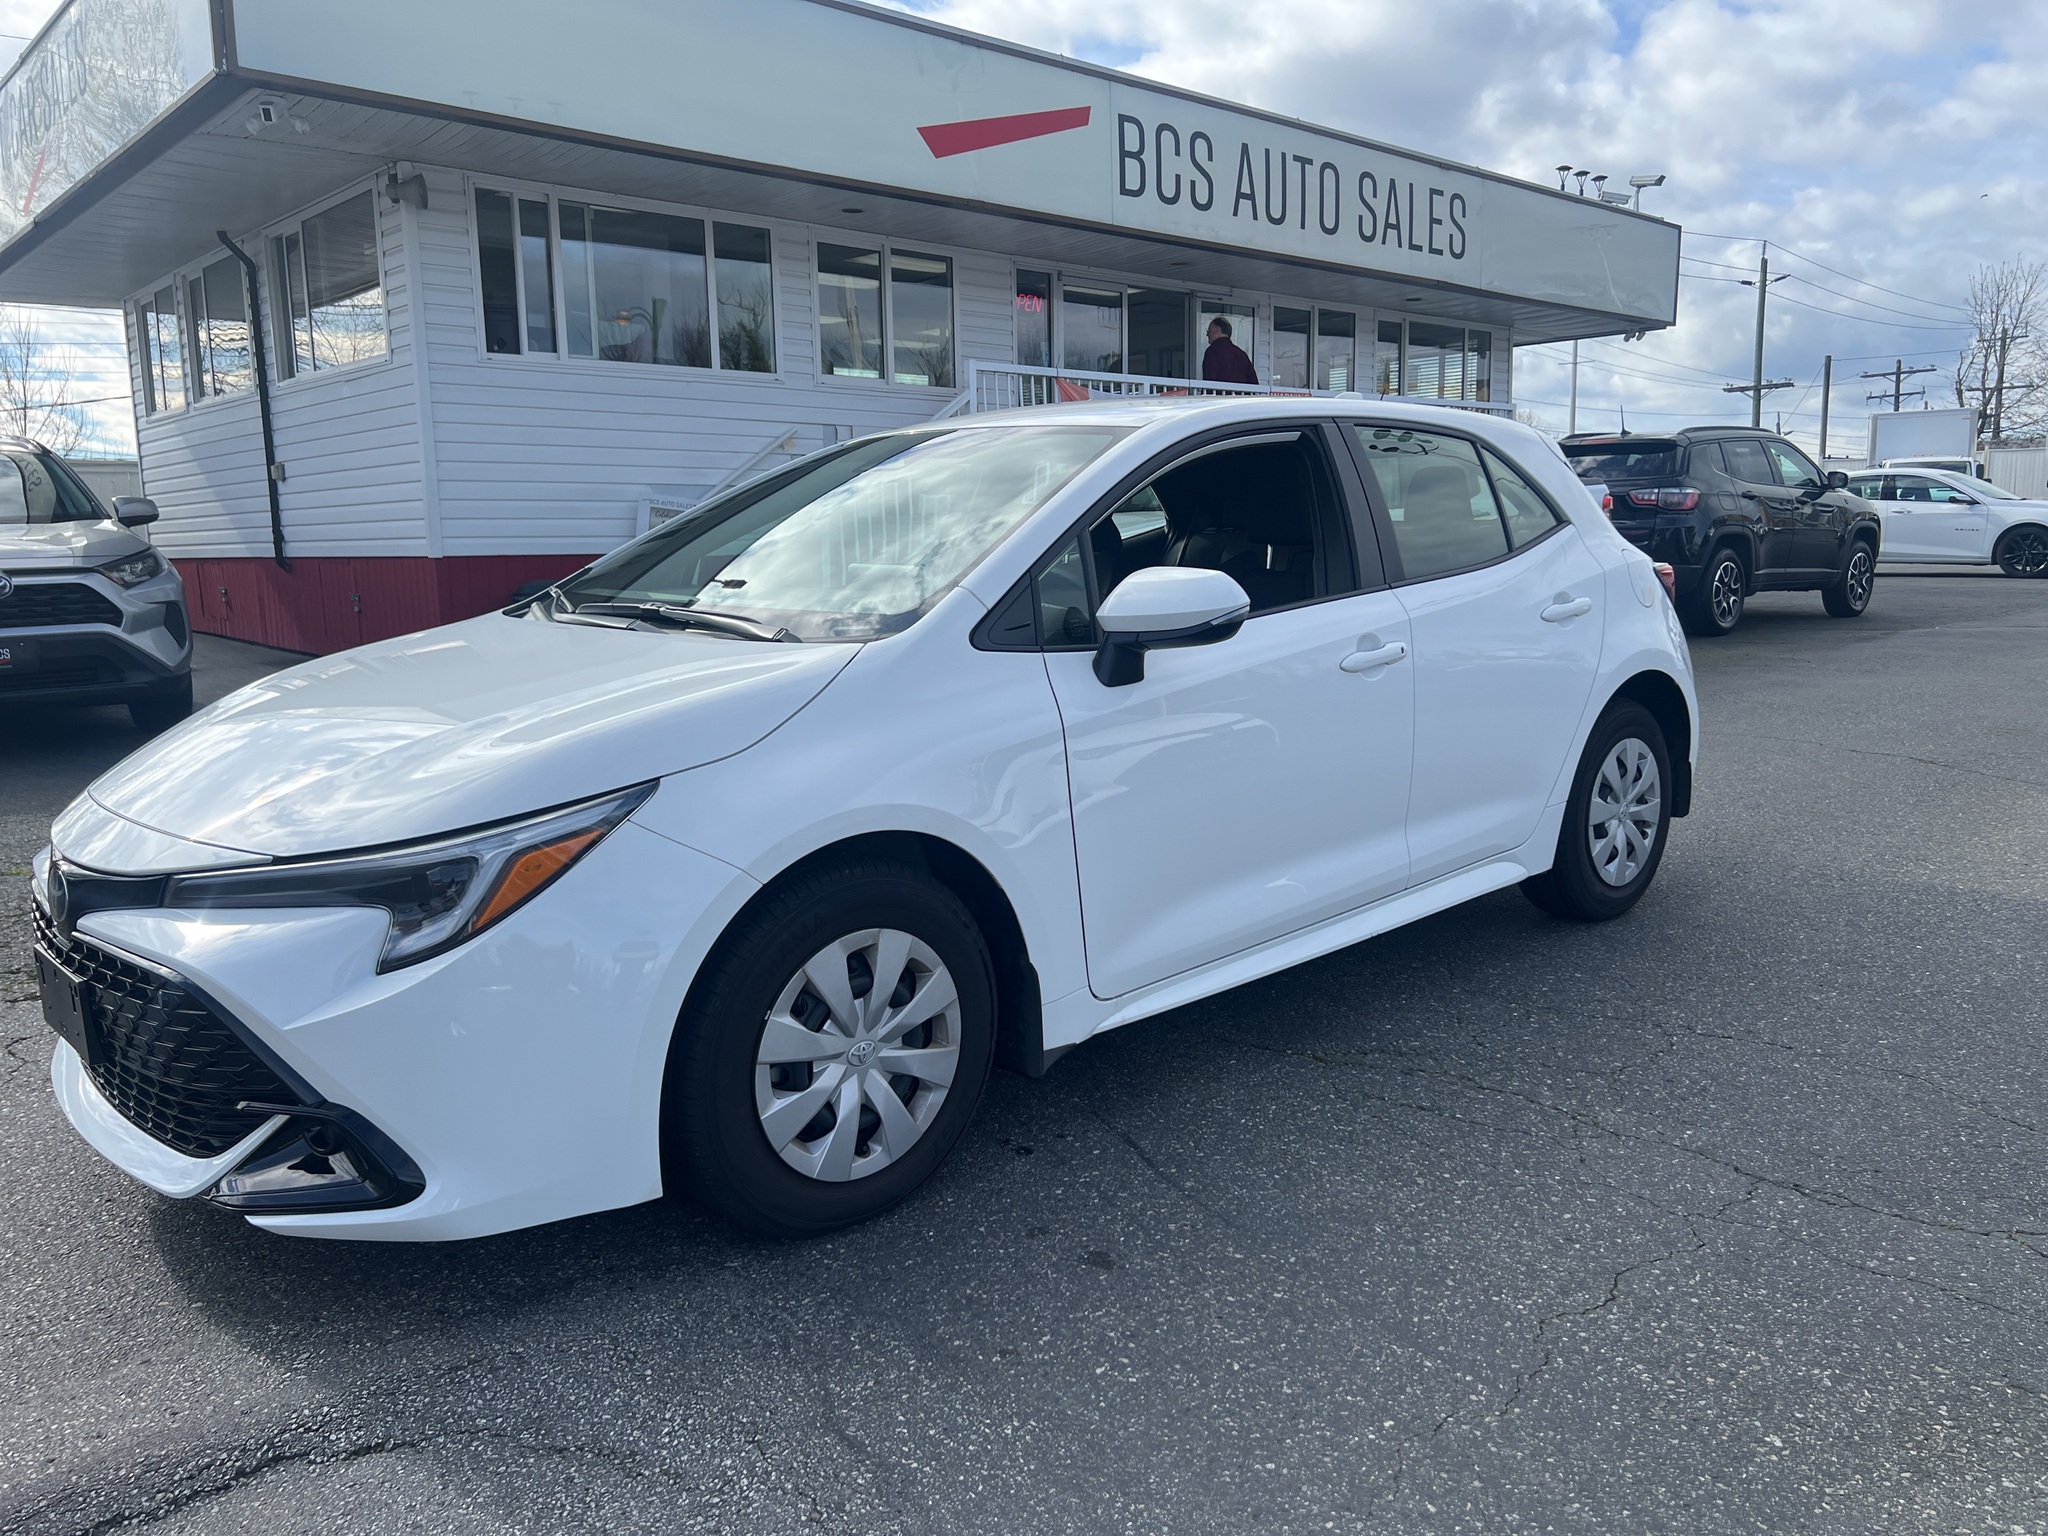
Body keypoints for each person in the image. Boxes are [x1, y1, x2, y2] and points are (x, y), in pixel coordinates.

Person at [1200, 317, 1258, 384]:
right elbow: (1254, 383)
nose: (1207, 334)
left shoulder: (1212, 351)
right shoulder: (1242, 355)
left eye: (1208, 331)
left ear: (1216, 331)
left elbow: (1209, 381)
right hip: (1241, 394)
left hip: (1219, 394)